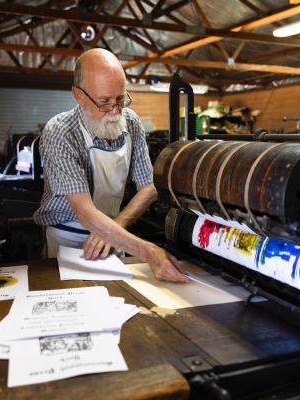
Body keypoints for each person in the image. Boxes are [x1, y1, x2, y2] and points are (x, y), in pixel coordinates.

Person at [34, 48, 188, 283]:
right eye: (105, 102)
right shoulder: (61, 132)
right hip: (68, 239)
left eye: (120, 99)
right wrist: (150, 252)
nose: (115, 111)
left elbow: (149, 187)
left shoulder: (132, 123)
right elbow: (85, 212)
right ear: (79, 95)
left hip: (116, 233)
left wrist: (116, 227)